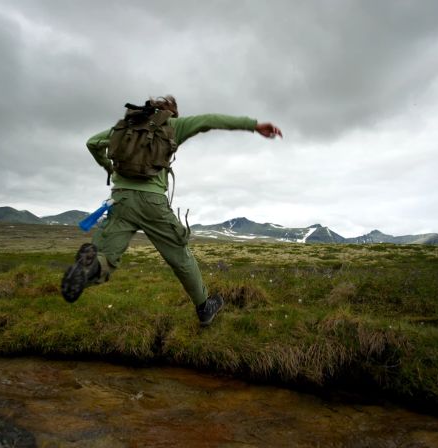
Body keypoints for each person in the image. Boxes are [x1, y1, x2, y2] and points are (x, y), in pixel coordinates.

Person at [61, 95, 283, 326]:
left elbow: (92, 143)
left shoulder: (125, 127)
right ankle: (205, 306)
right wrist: (254, 125)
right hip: (153, 203)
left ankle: (88, 269)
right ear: (171, 112)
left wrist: (109, 168)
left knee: (106, 255)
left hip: (121, 200)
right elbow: (209, 120)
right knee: (180, 256)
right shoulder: (173, 125)